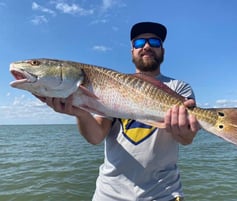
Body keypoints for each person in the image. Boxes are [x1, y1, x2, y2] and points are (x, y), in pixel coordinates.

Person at [39, 22, 200, 201]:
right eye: (139, 43)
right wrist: (81, 113)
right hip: (109, 194)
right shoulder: (112, 86)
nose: (146, 46)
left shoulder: (179, 88)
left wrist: (186, 131)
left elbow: (186, 139)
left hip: (163, 194)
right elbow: (96, 137)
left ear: (163, 50)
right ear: (132, 51)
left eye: (154, 42)